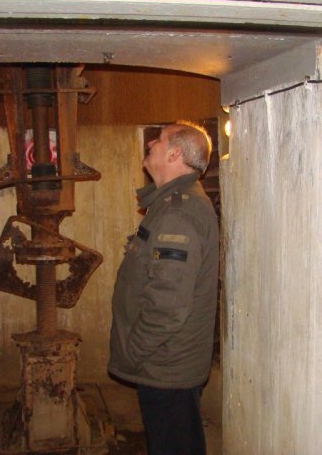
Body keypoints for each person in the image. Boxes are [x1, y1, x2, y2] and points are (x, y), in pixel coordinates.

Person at [108, 121, 219, 455]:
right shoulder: (170, 204)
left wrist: (133, 352)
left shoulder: (178, 215)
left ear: (175, 154)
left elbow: (168, 307)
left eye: (159, 140)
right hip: (166, 362)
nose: (151, 144)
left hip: (165, 365)